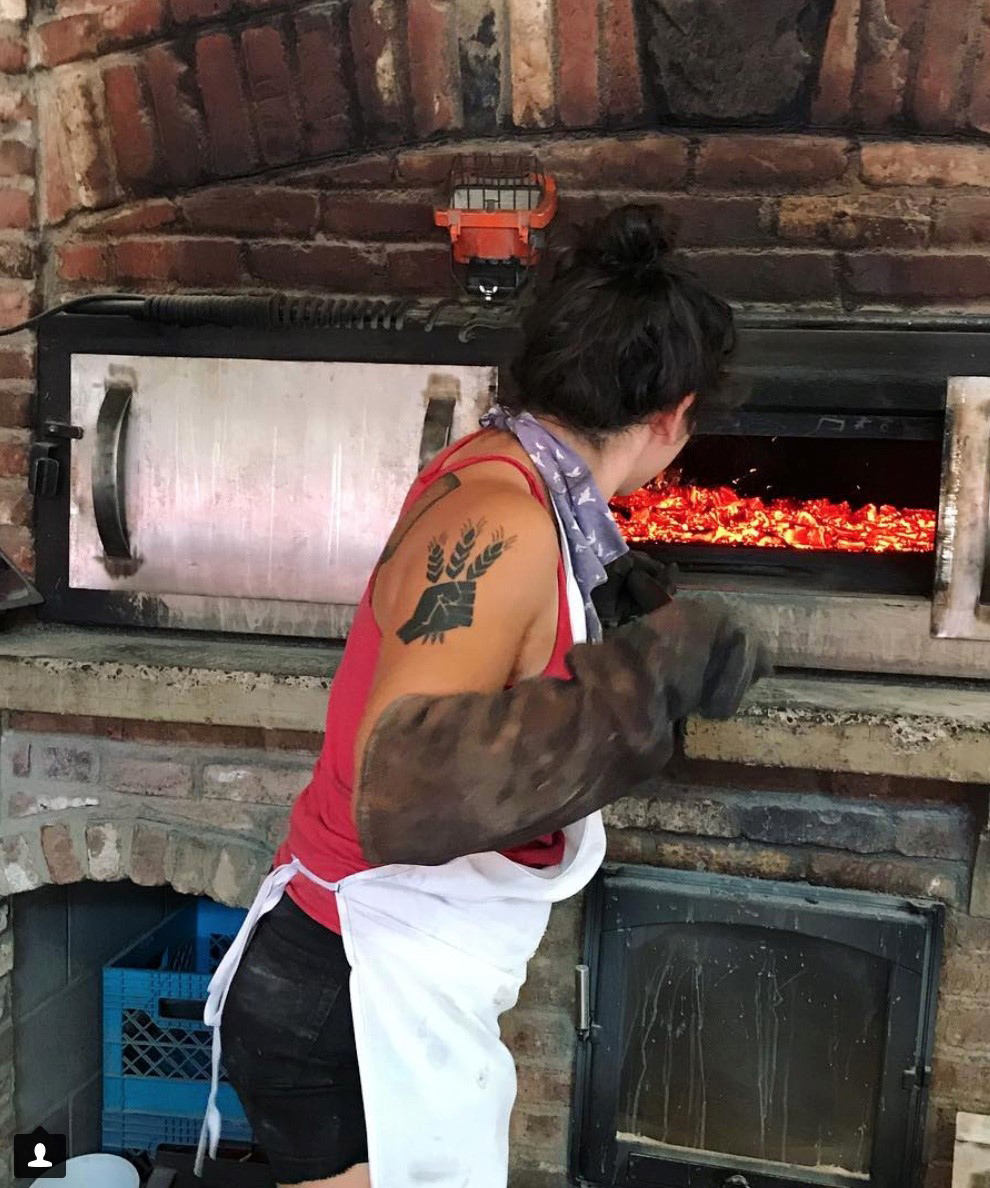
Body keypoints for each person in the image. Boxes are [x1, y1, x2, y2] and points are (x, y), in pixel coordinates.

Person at [197, 205, 768, 1188]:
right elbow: (404, 778)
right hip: (351, 994)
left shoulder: (504, 471)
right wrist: (643, 680)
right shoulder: (505, 523)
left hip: (364, 975)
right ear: (674, 415)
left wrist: (616, 623)